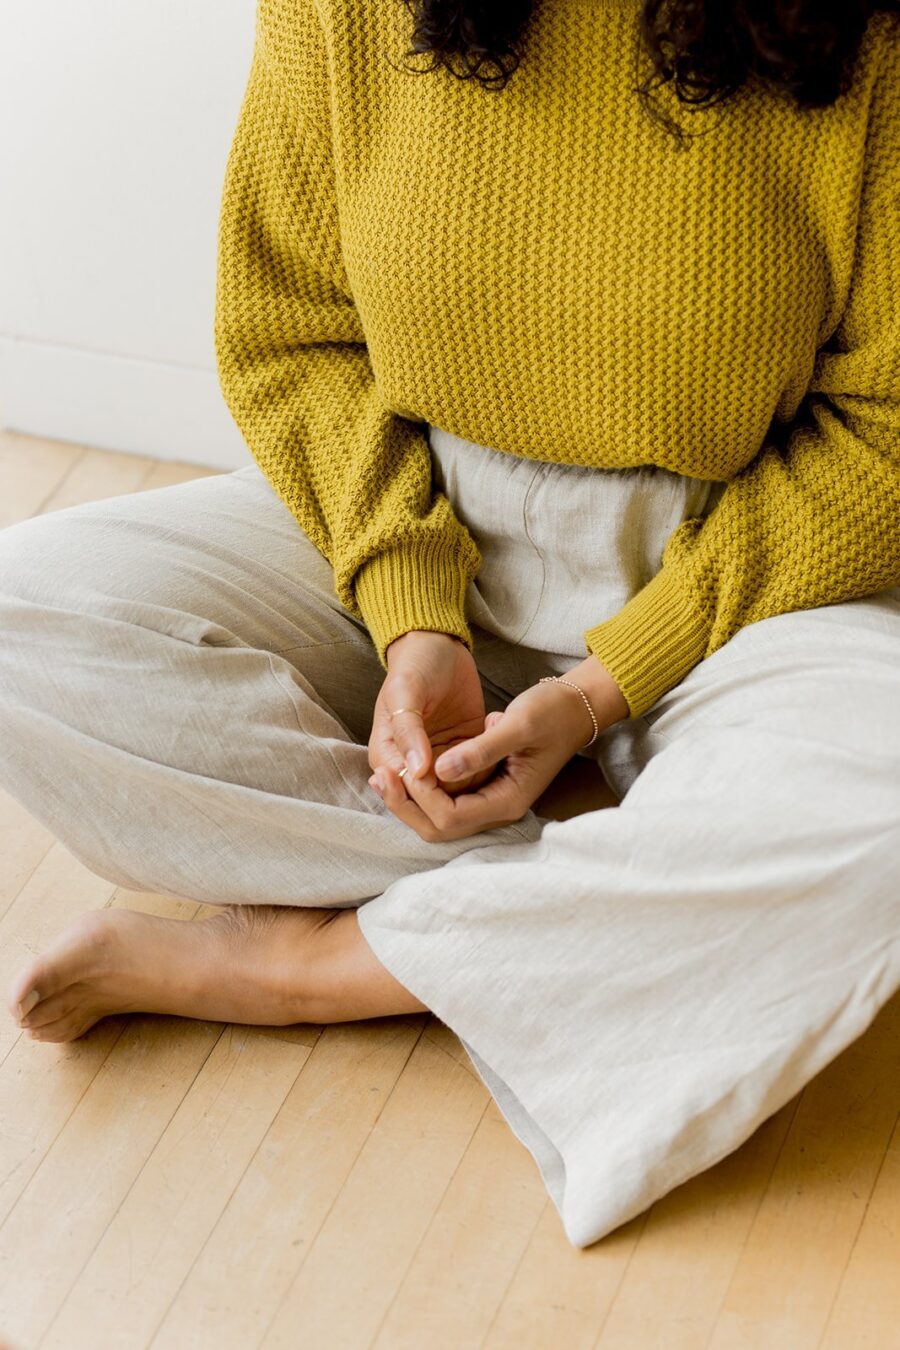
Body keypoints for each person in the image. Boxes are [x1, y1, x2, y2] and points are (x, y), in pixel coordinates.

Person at [2, 0, 899, 1249]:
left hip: (742, 564)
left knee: (881, 818)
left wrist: (605, 684)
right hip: (422, 513)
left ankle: (307, 967)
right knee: (19, 620)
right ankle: (607, 883)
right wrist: (415, 618)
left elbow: (885, 422)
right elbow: (292, 332)